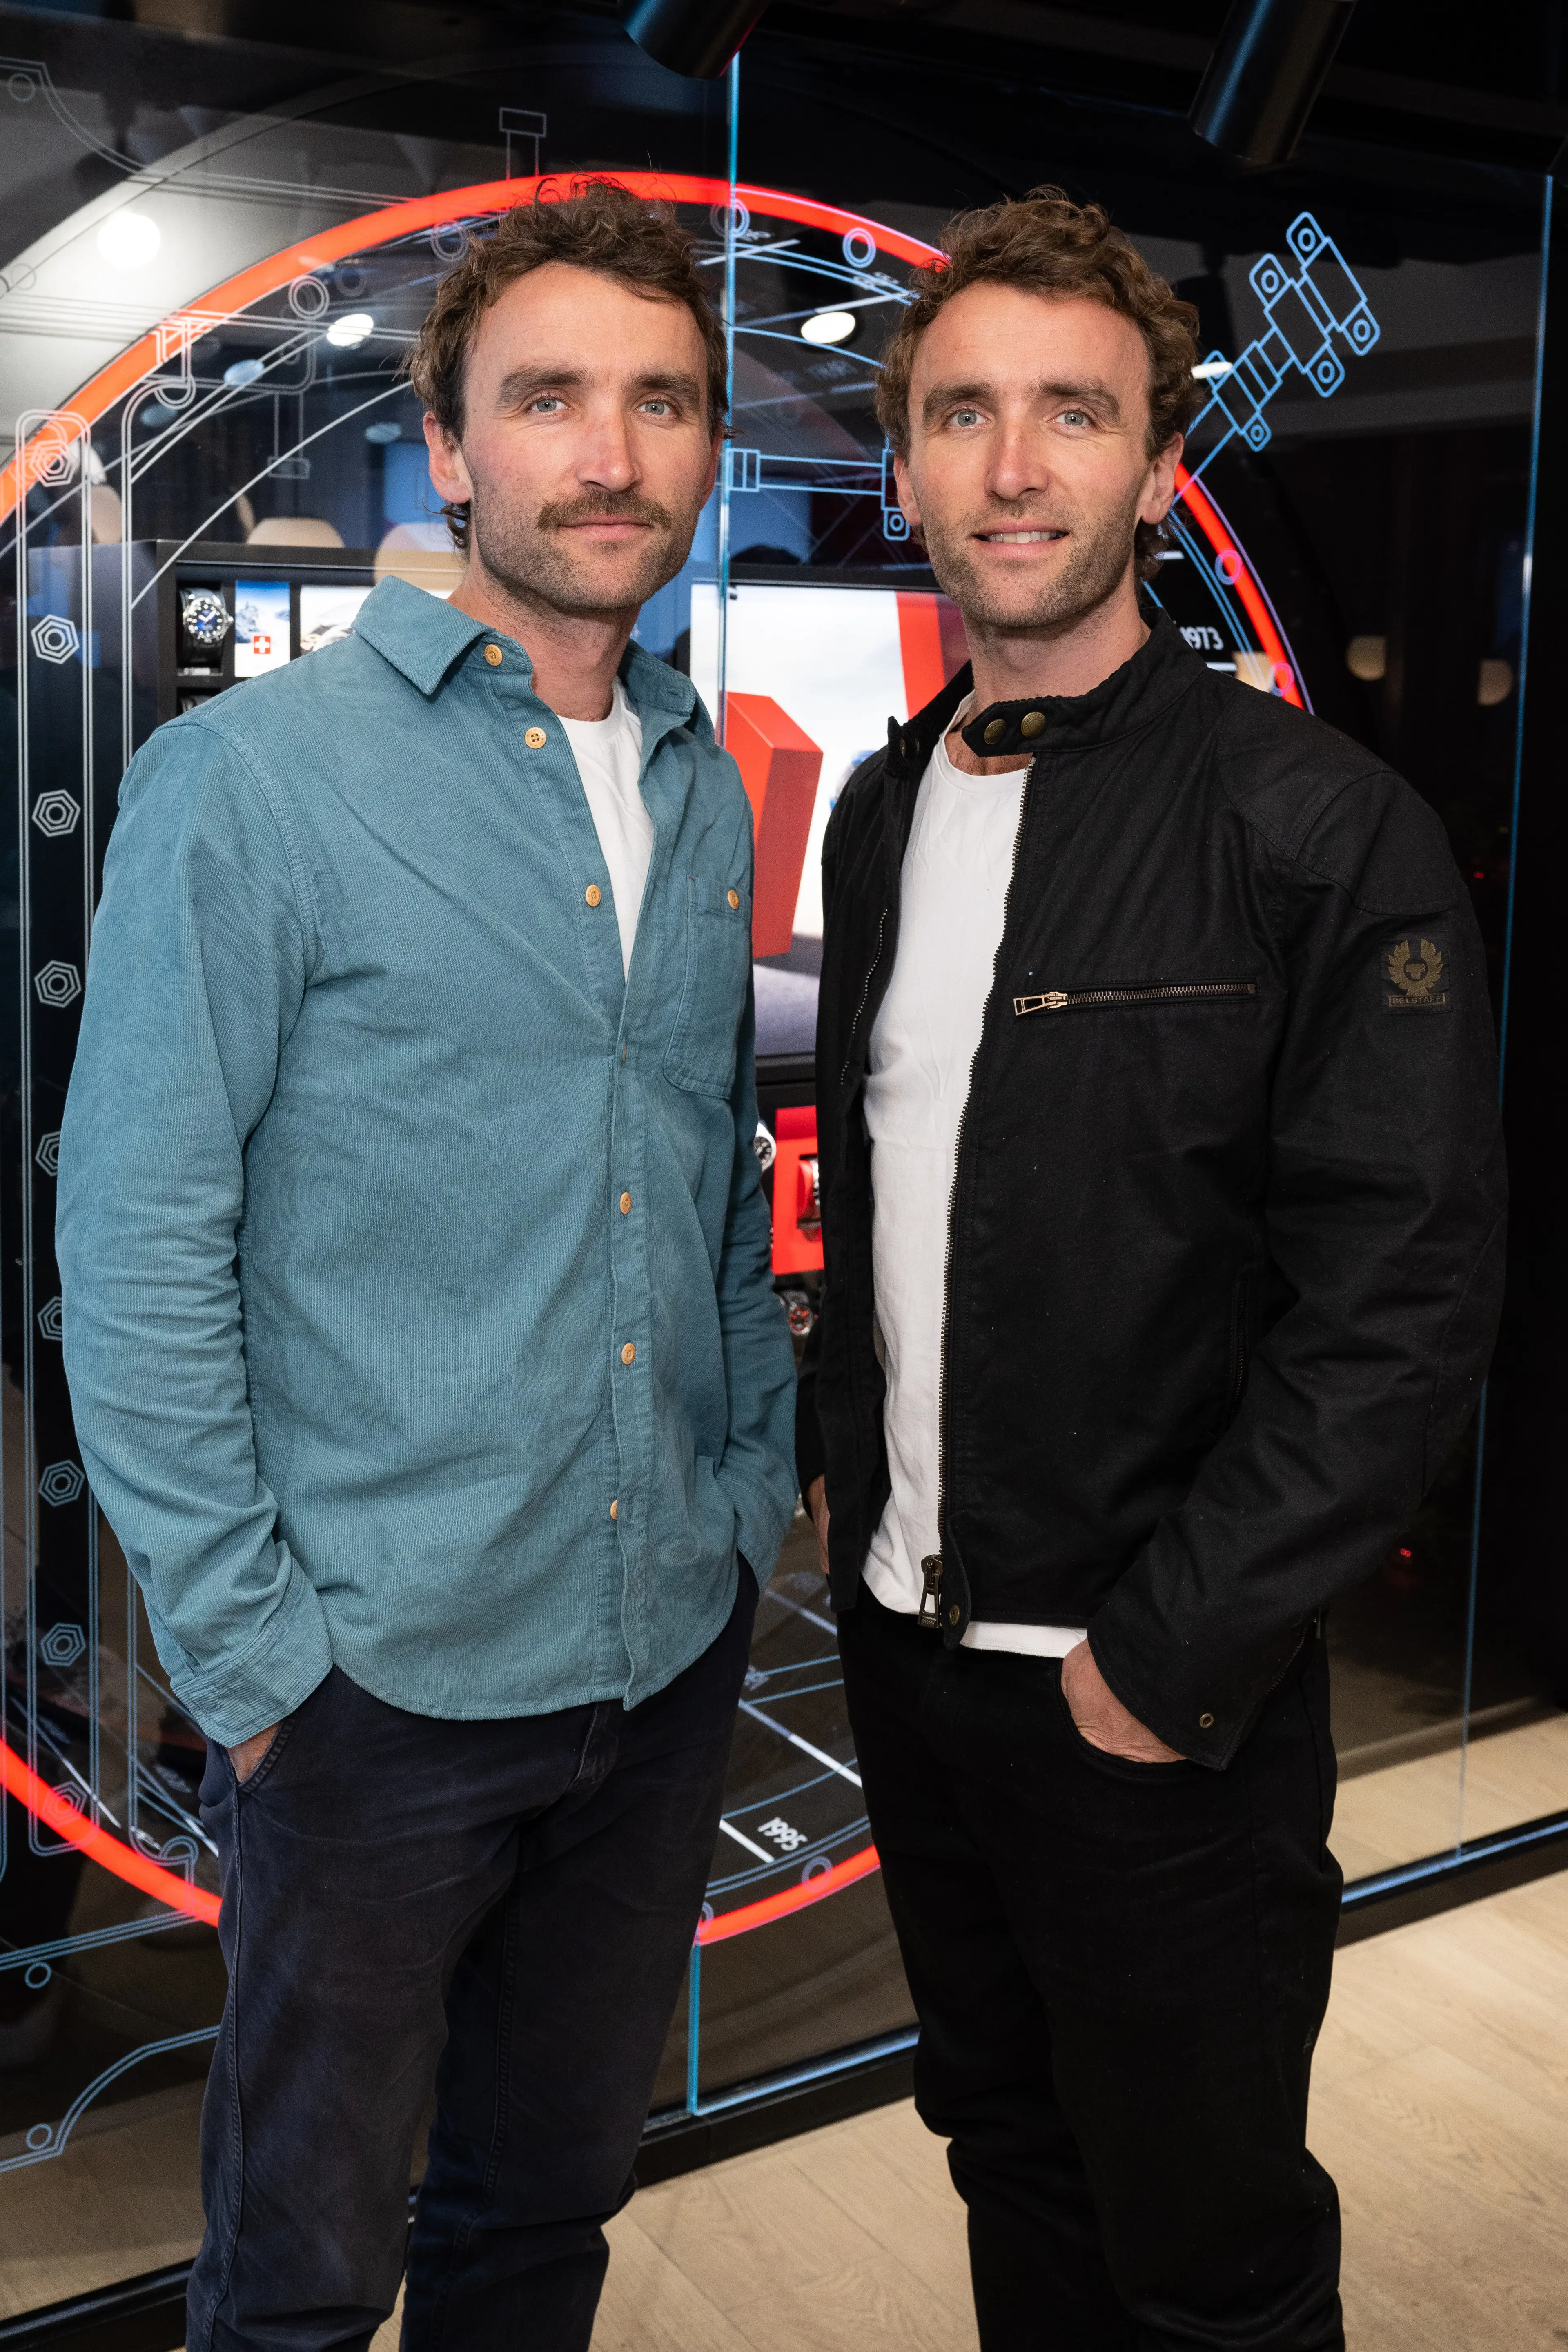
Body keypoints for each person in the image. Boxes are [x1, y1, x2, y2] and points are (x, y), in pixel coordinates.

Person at [57, 180, 796, 2352]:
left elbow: (702, 1174)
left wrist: (745, 1489)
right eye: (549, 397)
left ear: (704, 449)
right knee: (298, 2278)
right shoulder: (251, 782)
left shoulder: (702, 779)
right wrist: (254, 1652)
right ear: (454, 446)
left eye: (661, 401)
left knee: (538, 2221)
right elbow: (137, 1253)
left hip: (660, 1659)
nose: (611, 451)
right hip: (370, 1694)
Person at [797, 187, 1505, 2352]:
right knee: (1006, 2150)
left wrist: (1162, 1656)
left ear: (1156, 460)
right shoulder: (883, 810)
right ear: (905, 463)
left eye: (1074, 415)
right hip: (913, 1669)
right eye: (966, 417)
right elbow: (905, 1189)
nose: (1016, 468)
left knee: (1209, 2258)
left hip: (1145, 1701)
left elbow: (1403, 1295)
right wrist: (856, 1489)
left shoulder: (1318, 824)